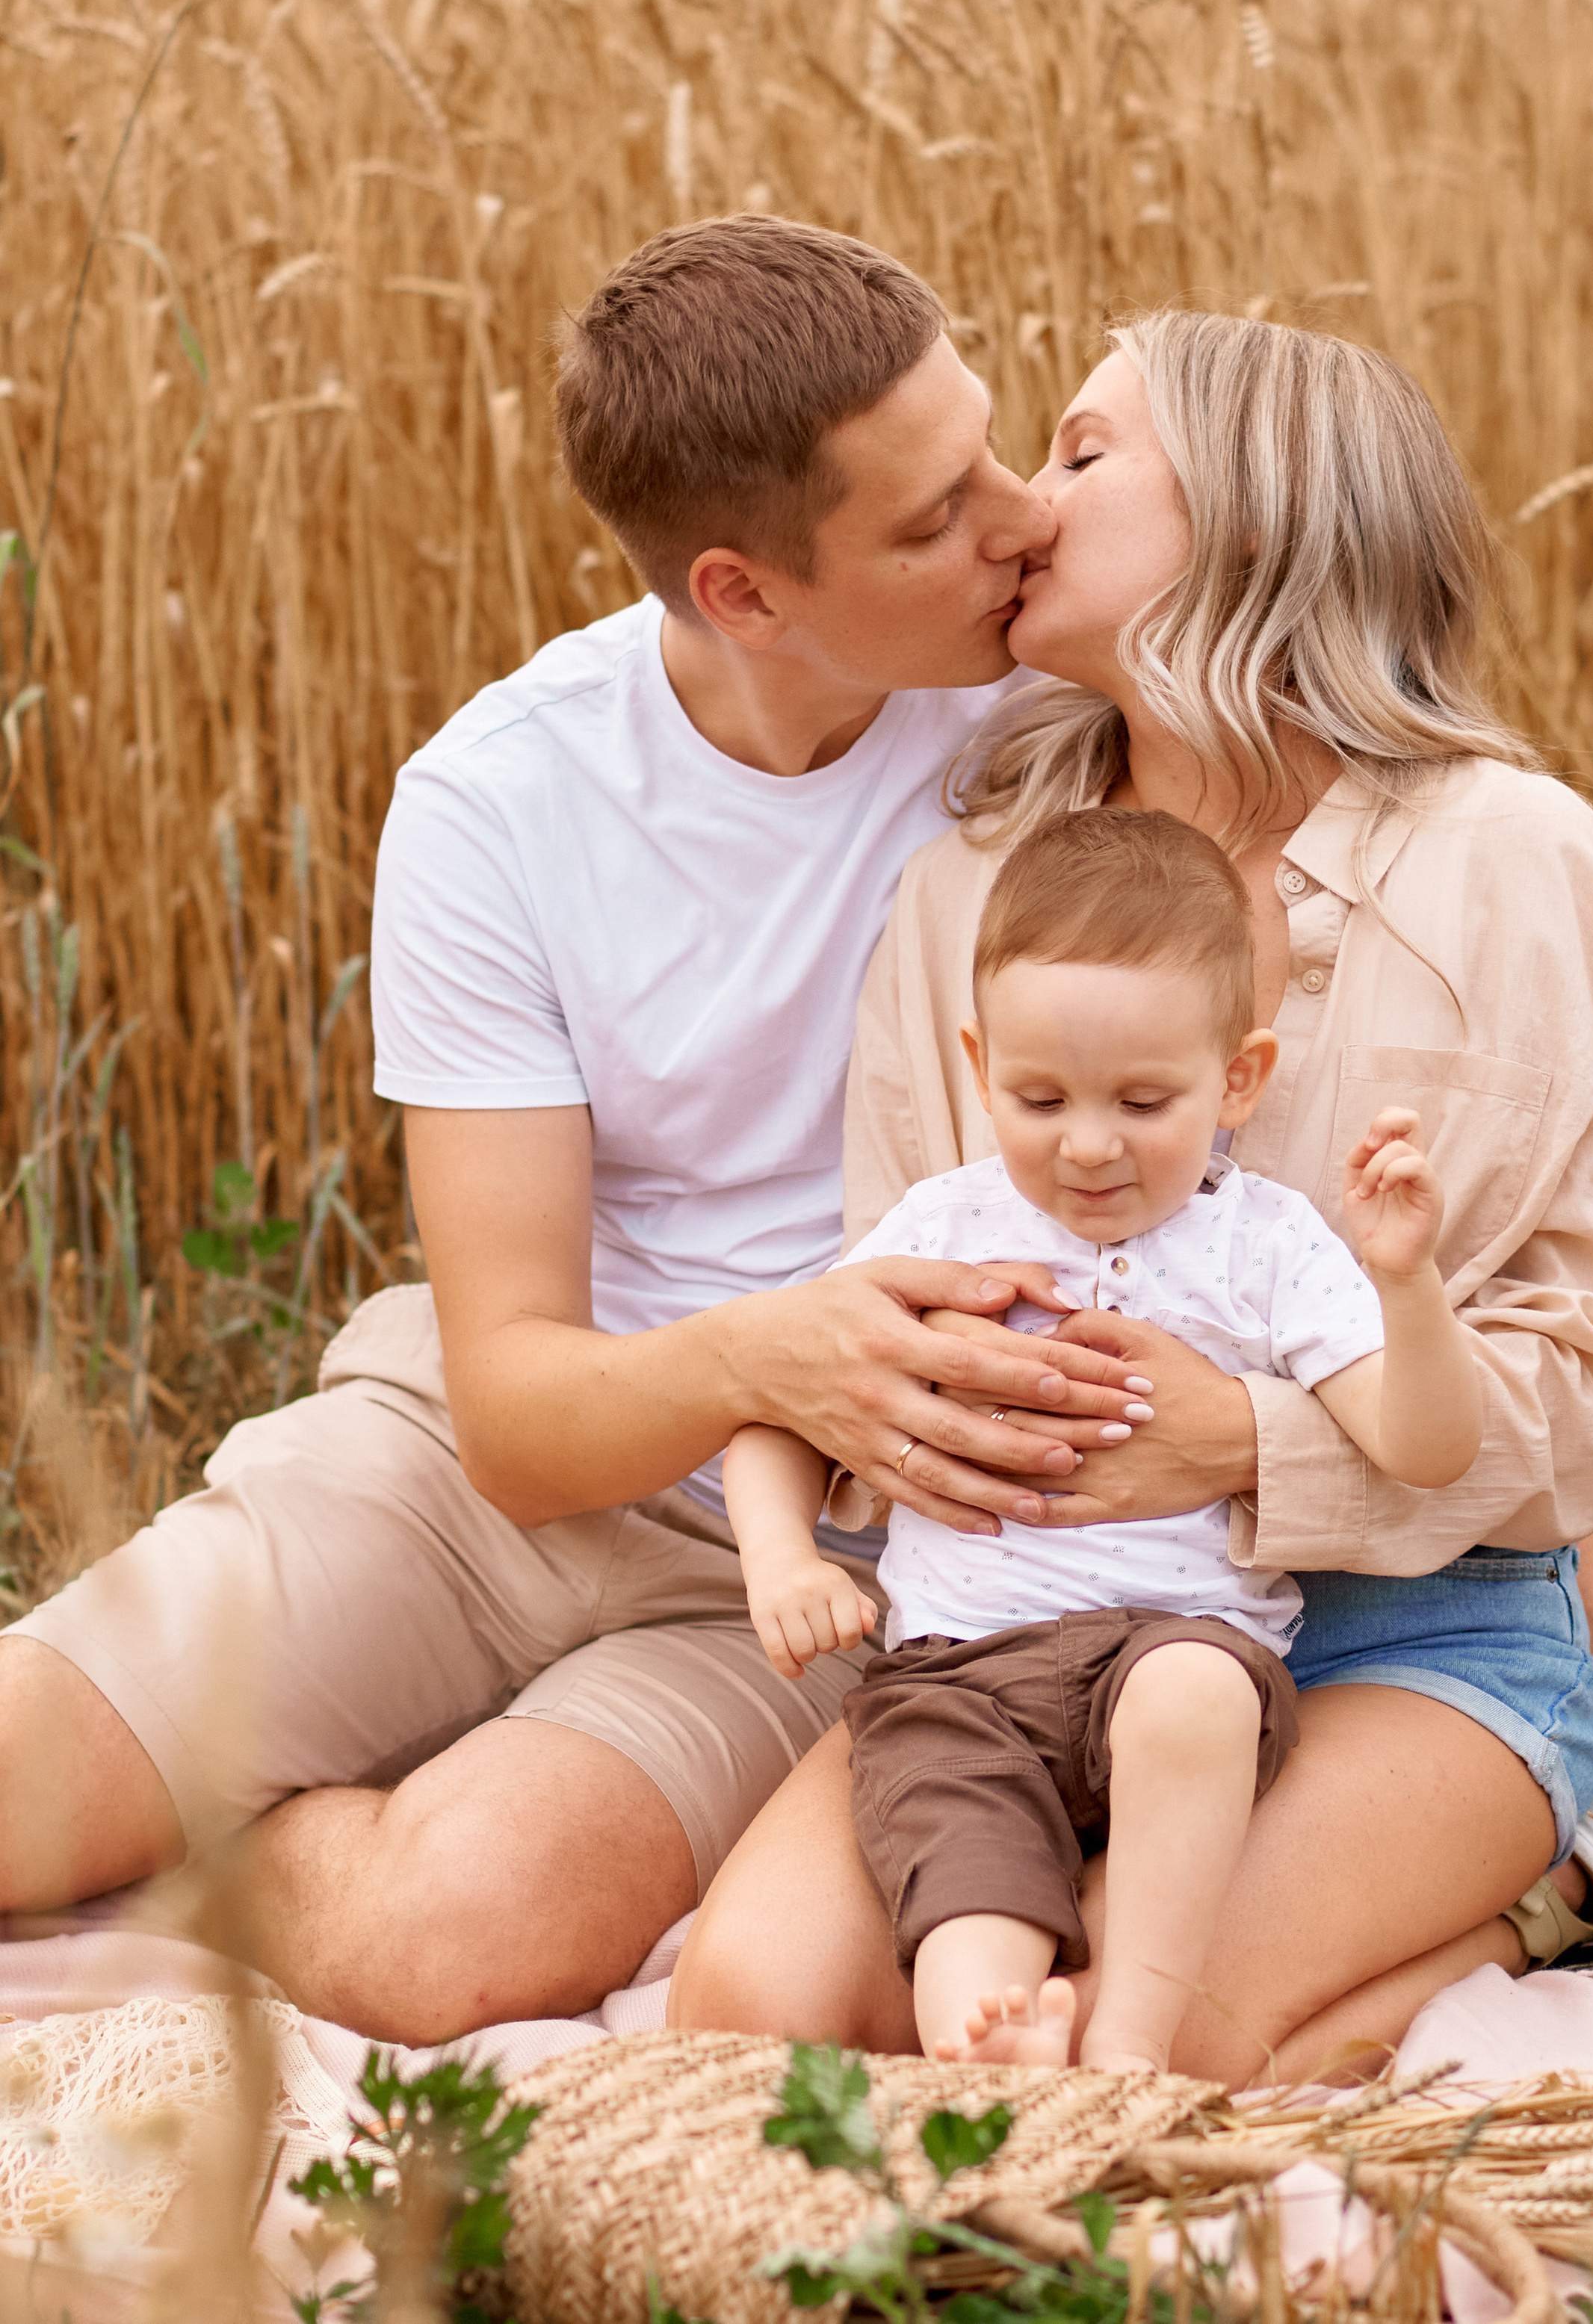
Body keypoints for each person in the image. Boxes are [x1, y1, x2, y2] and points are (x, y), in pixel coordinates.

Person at [0, 218, 1151, 2043]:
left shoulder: (1069, 733)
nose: (1019, 523)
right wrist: (778, 1348)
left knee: (446, 1945)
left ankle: (226, 1830)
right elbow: (521, 1418)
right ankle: (171, 1777)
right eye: (932, 519)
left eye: (997, 452)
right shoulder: (501, 800)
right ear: (742, 593)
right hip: (477, 1479)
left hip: (806, 1571)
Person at [672, 307, 1593, 2082]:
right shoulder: (971, 883)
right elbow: (888, 1307)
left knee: (1159, 2029)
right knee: (758, 2020)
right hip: (1014, 1622)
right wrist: (914, 1436)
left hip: (1409, 1619)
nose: (1021, 506)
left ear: (1253, 506)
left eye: (1078, 452)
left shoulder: (1507, 863)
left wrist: (1241, 1447)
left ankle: (1528, 1875)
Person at [728, 806, 1503, 2074]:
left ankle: (1130, 2046)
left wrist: (1406, 1288)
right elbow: (778, 1403)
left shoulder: (1266, 1242)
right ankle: (993, 2055)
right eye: (1041, 1097)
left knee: (1187, 1698)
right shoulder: (943, 1226)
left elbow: (1422, 1445)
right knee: (963, 1876)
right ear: (982, 1066)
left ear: (1238, 1079)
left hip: (1175, 1648)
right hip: (956, 1674)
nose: (1089, 1143)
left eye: (1144, 1100)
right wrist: (782, 1559)